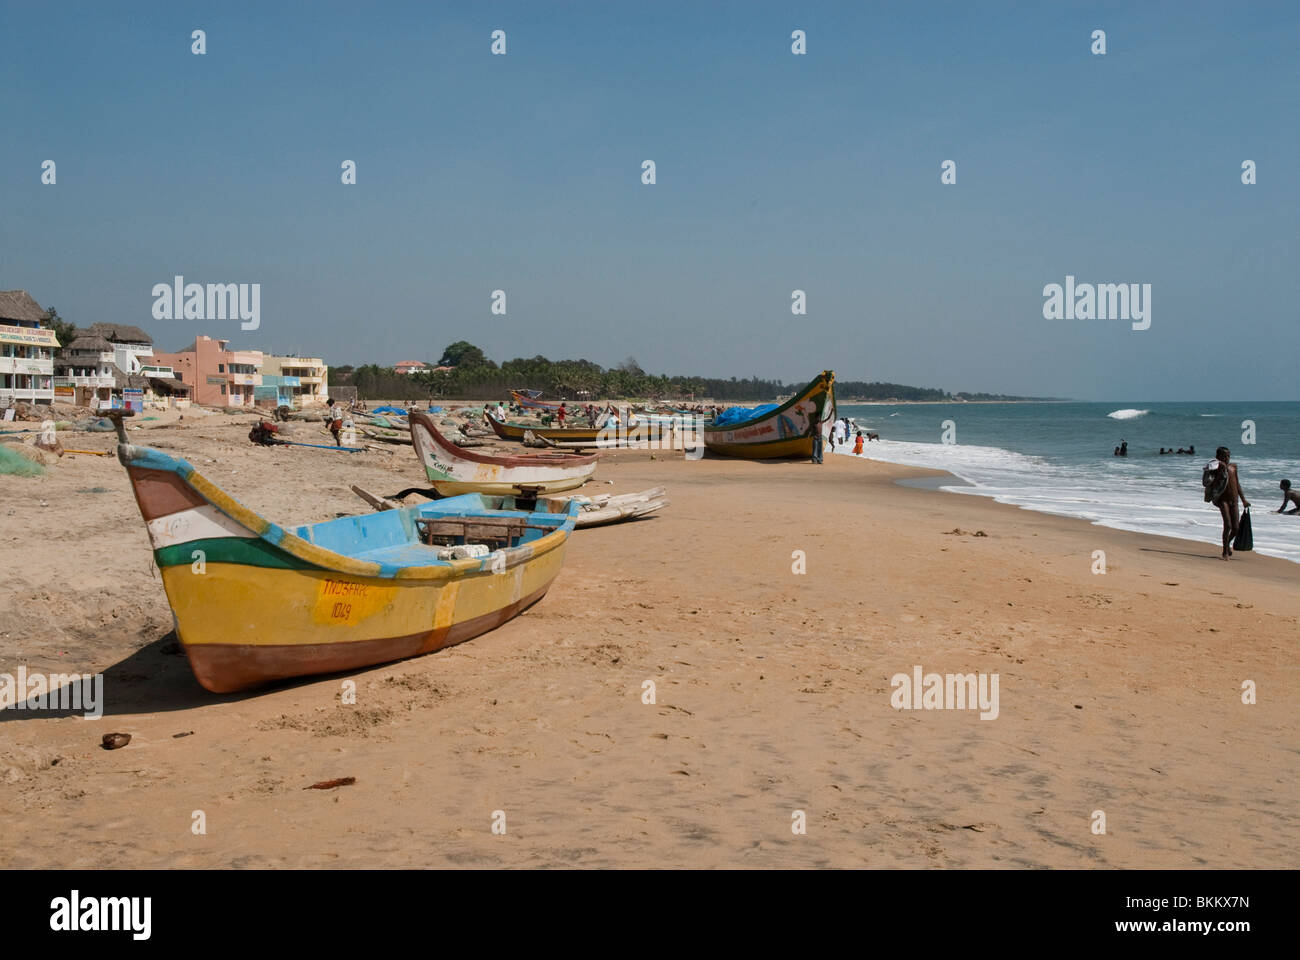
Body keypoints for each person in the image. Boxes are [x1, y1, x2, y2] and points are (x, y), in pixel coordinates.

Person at [1203, 446, 1251, 560]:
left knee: (1236, 528)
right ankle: (1224, 552)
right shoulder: (1215, 467)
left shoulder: (1233, 467)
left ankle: (1227, 544)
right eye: (1224, 456)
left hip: (1234, 500)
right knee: (1228, 525)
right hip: (1222, 499)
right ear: (1218, 457)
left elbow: (1237, 484)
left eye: (1228, 456)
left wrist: (1244, 500)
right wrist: (1220, 472)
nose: (1227, 458)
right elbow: (1209, 483)